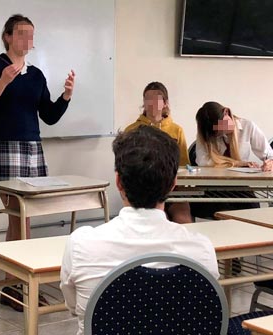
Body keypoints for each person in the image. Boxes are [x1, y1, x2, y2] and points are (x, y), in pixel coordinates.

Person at [60, 126, 219, 335]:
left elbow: (74, 308)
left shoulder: (81, 245)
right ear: (173, 184)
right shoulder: (201, 250)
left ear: (118, 182)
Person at [0, 13, 75, 311]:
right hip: (2, 145)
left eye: (31, 34)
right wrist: (3, 81)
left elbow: (50, 116)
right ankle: (18, 284)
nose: (26, 39)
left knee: (21, 216)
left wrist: (66, 96)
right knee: (20, 215)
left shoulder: (37, 75)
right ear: (7, 37)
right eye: (20, 33)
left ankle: (12, 285)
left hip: (31, 147)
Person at [124, 81, 192, 223]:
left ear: (165, 103)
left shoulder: (176, 130)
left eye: (157, 100)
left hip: (173, 189)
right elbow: (125, 165)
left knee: (182, 218)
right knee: (160, 220)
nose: (152, 104)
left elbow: (184, 164)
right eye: (148, 99)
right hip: (145, 189)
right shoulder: (132, 130)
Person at [192, 101, 273, 219]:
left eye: (222, 127)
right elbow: (203, 161)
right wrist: (239, 164)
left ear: (226, 112)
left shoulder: (247, 126)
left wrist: (270, 162)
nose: (223, 132)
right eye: (218, 132)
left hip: (240, 185)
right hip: (212, 185)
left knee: (252, 210)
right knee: (205, 207)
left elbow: (269, 154)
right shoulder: (207, 133)